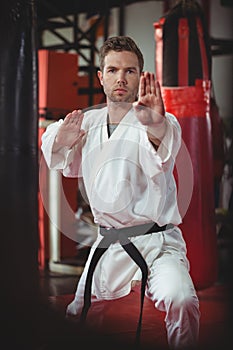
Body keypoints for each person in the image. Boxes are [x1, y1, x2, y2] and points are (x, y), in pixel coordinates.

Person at [41, 36, 200, 349]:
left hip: (158, 243)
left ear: (140, 76)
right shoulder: (87, 122)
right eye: (113, 70)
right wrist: (63, 139)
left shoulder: (158, 119)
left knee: (181, 300)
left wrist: (155, 126)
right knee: (78, 311)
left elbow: (164, 146)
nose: (121, 78)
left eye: (130, 71)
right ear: (101, 77)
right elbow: (54, 150)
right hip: (110, 242)